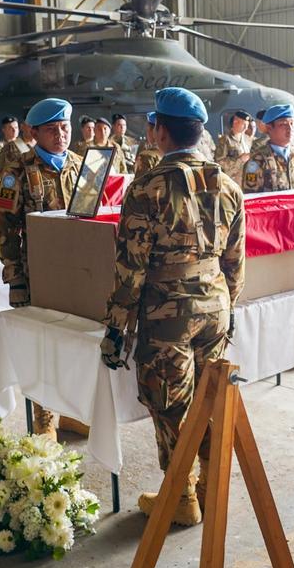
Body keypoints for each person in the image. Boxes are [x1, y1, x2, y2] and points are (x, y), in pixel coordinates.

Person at [101, 87, 245, 527]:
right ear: (199, 132)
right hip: (215, 306)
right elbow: (235, 261)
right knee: (210, 398)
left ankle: (181, 496)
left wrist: (116, 327)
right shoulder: (228, 185)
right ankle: (210, 488)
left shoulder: (147, 187)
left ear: (159, 132)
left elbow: (131, 267)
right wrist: (228, 306)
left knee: (170, 403)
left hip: (167, 313)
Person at [0, 98, 83, 440]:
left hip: (80, 271)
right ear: (33, 133)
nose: (61, 135)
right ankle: (44, 418)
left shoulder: (81, 165)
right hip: (38, 275)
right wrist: (15, 278)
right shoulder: (16, 172)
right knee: (42, 347)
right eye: (51, 130)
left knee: (76, 343)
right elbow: (6, 229)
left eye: (65, 127)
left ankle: (73, 411)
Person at [242, 104, 294, 192]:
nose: (290, 128)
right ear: (269, 128)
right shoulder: (257, 161)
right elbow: (251, 196)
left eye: (292, 123)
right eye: (283, 124)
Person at [213, 110, 253, 185]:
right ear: (235, 122)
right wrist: (240, 160)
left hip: (246, 179)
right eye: (244, 124)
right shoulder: (225, 140)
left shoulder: (248, 139)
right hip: (231, 180)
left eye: (247, 125)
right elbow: (219, 162)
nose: (246, 127)